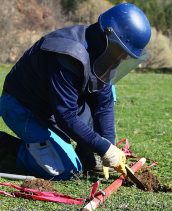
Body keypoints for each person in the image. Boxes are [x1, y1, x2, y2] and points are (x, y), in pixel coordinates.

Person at [0, 3, 151, 180]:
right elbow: (66, 116)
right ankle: (8, 147)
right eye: (121, 52)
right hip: (23, 106)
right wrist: (103, 148)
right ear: (107, 36)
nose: (121, 60)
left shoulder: (105, 55)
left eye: (126, 56)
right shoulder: (66, 55)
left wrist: (108, 145)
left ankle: (85, 155)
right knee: (64, 170)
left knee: (111, 90)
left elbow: (104, 104)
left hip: (56, 105)